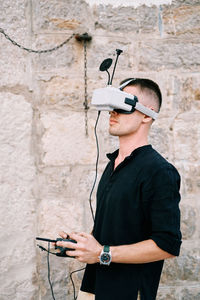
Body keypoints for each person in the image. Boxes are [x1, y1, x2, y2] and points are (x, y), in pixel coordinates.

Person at [57, 78, 182, 300]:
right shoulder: (113, 163)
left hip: (127, 292)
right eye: (112, 107)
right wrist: (83, 245)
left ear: (146, 114)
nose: (113, 113)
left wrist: (101, 253)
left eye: (123, 106)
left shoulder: (159, 171)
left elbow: (167, 245)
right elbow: (115, 229)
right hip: (93, 286)